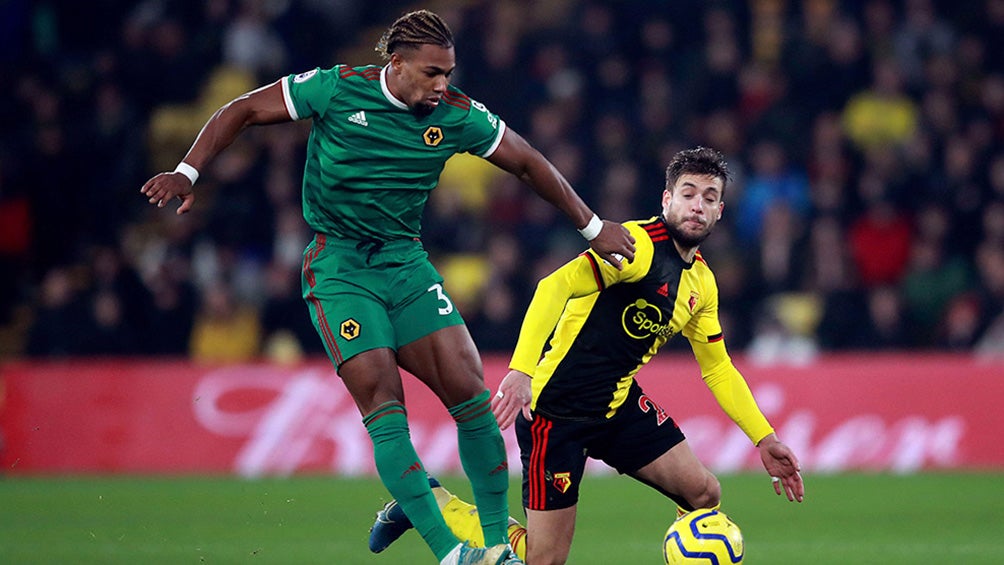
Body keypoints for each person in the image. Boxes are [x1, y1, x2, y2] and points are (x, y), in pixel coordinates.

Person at [139, 9, 634, 565]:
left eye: (448, 72)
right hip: (341, 269)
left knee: (472, 396)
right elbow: (245, 108)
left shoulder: (455, 115)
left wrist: (592, 227)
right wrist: (189, 171)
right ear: (395, 64)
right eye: (431, 73)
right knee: (384, 401)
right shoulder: (336, 89)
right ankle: (450, 553)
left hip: (406, 264)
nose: (442, 84)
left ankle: (497, 546)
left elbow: (526, 162)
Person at [369, 147, 803, 564]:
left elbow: (719, 369)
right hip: (556, 416)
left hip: (616, 407)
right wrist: (522, 370)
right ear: (667, 199)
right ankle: (431, 502)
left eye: (710, 198)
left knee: (704, 495)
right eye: (688, 194)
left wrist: (764, 438)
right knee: (543, 560)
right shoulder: (637, 246)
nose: (698, 206)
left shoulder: (702, 285)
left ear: (720, 211)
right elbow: (552, 287)